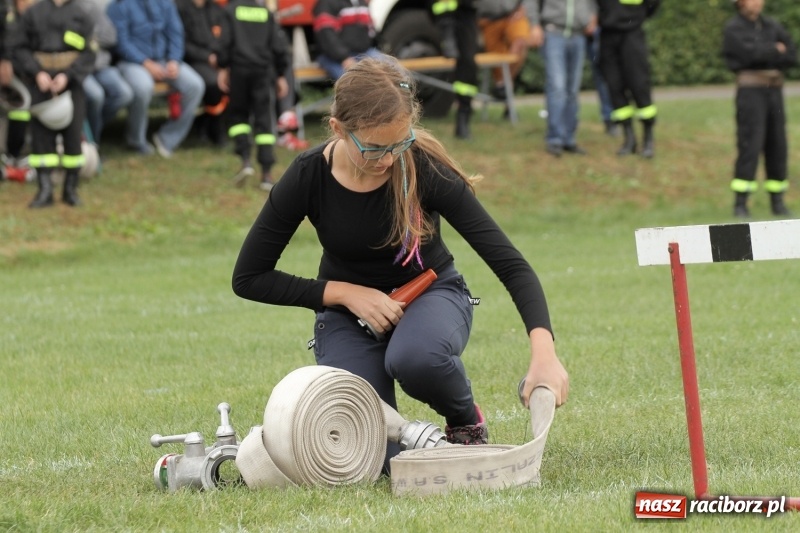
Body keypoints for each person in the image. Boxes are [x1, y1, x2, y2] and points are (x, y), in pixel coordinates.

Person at [231, 55, 569, 468]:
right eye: (373, 148)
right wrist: (346, 294)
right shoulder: (307, 175)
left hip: (432, 292)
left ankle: (465, 423)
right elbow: (248, 277)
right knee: (374, 458)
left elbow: (510, 264)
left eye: (400, 143)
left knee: (414, 358)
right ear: (338, 129)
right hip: (346, 315)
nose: (389, 159)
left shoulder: (424, 167)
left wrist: (544, 353)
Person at [10, 0, 95, 208]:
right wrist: (36, 72)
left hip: (71, 84)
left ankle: (70, 189)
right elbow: (19, 48)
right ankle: (45, 190)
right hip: (40, 84)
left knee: (73, 137)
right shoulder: (34, 13)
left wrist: (68, 76)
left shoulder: (81, 14)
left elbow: (89, 52)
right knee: (42, 139)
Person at [723, 0, 796, 218]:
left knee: (778, 144)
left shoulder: (771, 25)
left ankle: (778, 201)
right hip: (750, 93)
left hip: (774, 92)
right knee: (750, 143)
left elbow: (791, 53)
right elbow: (749, 55)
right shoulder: (733, 28)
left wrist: (769, 51)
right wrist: (775, 49)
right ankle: (741, 203)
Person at [107, 0, 204, 158]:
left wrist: (174, 59)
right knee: (143, 87)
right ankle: (136, 141)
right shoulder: (120, 6)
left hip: (164, 60)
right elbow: (121, 43)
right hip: (132, 62)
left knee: (195, 85)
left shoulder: (165, 3)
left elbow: (176, 33)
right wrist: (146, 63)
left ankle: (167, 138)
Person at [223, 0, 291, 191]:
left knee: (238, 117)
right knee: (264, 120)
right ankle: (267, 174)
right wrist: (280, 75)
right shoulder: (265, 13)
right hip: (263, 72)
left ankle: (245, 161)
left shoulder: (230, 10)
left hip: (239, 71)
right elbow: (278, 47)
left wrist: (222, 66)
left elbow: (225, 43)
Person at [531, 0, 596, 157]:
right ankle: (555, 139)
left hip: (578, 35)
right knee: (557, 87)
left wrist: (593, 16)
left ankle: (569, 139)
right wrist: (534, 24)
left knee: (572, 90)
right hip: (553, 32)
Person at [597, 0, 660, 158]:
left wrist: (637, 17)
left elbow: (653, 4)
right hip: (607, 35)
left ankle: (648, 140)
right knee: (614, 86)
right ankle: (629, 139)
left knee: (639, 85)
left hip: (633, 34)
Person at [176, 0, 231, 147]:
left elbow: (226, 36)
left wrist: (222, 60)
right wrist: (207, 57)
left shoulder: (216, 9)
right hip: (194, 61)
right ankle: (216, 131)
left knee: (238, 77)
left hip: (219, 59)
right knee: (213, 83)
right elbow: (182, 43)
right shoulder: (180, 8)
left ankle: (204, 121)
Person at [82, 0, 134, 144]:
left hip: (101, 66)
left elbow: (110, 36)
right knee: (96, 95)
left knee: (124, 94)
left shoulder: (91, 6)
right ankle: (93, 143)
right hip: (79, 68)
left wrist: (89, 40)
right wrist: (88, 41)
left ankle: (91, 131)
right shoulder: (63, 9)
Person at [429, 0, 479, 139]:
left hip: (466, 11)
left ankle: (464, 113)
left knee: (468, 62)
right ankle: (446, 31)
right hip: (441, 13)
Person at [477, 0, 542, 104]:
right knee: (496, 59)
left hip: (513, 14)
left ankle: (502, 84)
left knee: (520, 41)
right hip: (487, 19)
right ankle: (504, 88)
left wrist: (532, 20)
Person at [312, 0, 381, 81]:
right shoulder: (327, 3)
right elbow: (326, 35)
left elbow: (370, 31)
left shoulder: (360, 2)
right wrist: (344, 58)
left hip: (364, 52)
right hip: (334, 57)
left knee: (394, 72)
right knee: (353, 83)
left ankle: (399, 88)